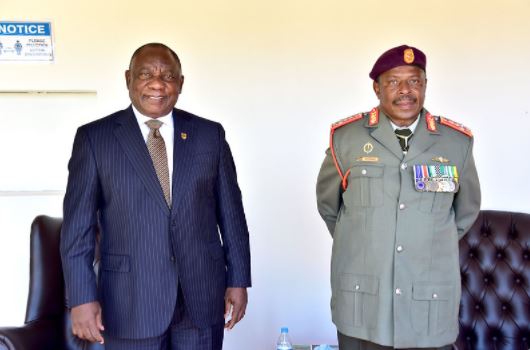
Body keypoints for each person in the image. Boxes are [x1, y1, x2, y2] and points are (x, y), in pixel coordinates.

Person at [60, 42, 251, 350]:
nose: (157, 84)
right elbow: (77, 229)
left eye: (168, 75)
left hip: (200, 297)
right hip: (130, 302)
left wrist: (239, 278)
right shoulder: (95, 139)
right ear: (128, 79)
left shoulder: (209, 135)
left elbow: (231, 215)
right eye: (145, 74)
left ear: (181, 83)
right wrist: (81, 298)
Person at [316, 45, 481, 349]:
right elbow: (329, 207)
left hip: (428, 305)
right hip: (363, 304)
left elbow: (465, 213)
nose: (405, 91)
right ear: (377, 88)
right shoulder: (346, 139)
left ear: (425, 86)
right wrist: (368, 239)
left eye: (415, 81)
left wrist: (423, 238)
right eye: (393, 82)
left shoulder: (457, 143)